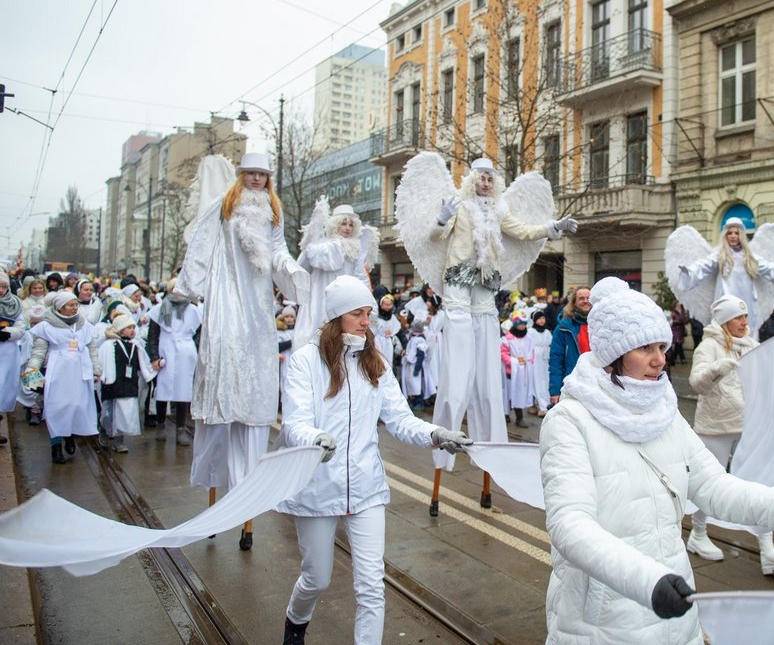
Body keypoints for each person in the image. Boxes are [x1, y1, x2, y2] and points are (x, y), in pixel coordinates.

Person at [540, 278, 774, 644]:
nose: (660, 359)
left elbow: (714, 487)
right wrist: (645, 580)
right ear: (612, 355)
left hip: (673, 606)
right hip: (605, 621)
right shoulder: (569, 421)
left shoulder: (663, 411)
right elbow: (570, 526)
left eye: (662, 346)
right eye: (644, 348)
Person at [278, 275, 471, 645]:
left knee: (371, 585)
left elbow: (399, 420)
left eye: (368, 313)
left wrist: (436, 433)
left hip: (366, 487)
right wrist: (316, 439)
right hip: (318, 486)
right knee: (317, 578)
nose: (367, 321)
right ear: (336, 317)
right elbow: (295, 423)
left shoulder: (375, 362)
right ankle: (295, 621)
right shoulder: (305, 361)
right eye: (357, 314)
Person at [395, 153, 577, 515]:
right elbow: (436, 235)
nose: (486, 182)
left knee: (488, 381)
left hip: (485, 290)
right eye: (481, 177)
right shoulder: (460, 207)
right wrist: (442, 217)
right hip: (459, 287)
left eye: (491, 178)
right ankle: (444, 446)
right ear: (472, 179)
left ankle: (490, 457)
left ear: (496, 183)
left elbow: (523, 231)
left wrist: (553, 227)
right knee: (458, 370)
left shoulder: (499, 212)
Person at [176, 152, 308, 550]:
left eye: (261, 175)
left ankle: (247, 508)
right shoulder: (224, 205)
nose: (255, 179)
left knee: (252, 391)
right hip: (224, 298)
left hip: (256, 307)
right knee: (222, 373)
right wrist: (191, 283)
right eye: (250, 173)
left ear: (268, 179)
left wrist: (292, 272)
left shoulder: (273, 210)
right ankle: (218, 498)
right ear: (241, 176)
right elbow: (200, 241)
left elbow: (278, 250)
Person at [686, 294, 774, 575]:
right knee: (708, 484)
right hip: (716, 426)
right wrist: (717, 369)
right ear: (724, 321)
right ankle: (698, 534)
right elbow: (696, 383)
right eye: (737, 317)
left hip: (748, 424)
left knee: (756, 484)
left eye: (745, 316)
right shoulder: (709, 345)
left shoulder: (751, 345)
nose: (743, 322)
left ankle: (768, 549)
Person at [668, 217, 774, 333]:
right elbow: (702, 267)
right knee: (724, 336)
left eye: (736, 233)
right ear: (725, 235)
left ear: (741, 235)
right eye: (730, 233)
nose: (733, 236)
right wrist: (688, 272)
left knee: (746, 333)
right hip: (725, 302)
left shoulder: (750, 257)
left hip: (746, 303)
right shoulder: (719, 255)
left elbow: (771, 270)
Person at [24, 292, 101, 464]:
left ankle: (70, 435)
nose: (75, 307)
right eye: (70, 305)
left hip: (79, 372)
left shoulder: (84, 325)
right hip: (57, 372)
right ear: (60, 307)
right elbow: (39, 351)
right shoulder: (46, 326)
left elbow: (92, 348)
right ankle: (56, 445)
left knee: (76, 406)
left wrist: (96, 369)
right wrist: (32, 369)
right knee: (56, 408)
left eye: (76, 304)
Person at [292, 199, 378, 352]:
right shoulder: (323, 245)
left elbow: (360, 276)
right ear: (335, 224)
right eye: (343, 224)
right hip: (321, 298)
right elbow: (304, 263)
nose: (347, 228)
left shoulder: (356, 248)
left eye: (351, 224)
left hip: (346, 299)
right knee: (318, 336)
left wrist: (368, 300)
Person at [145, 278, 202, 446]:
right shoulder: (160, 309)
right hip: (166, 350)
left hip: (185, 352)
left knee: (183, 391)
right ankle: (160, 424)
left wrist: (194, 347)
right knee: (163, 389)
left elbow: (200, 333)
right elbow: (152, 336)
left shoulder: (194, 310)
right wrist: (154, 357)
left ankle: (181, 429)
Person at [97, 313, 156, 453]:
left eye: (133, 327)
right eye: (128, 327)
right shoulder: (108, 345)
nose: (132, 330)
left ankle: (119, 440)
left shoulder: (135, 345)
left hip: (129, 384)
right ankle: (104, 432)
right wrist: (102, 376)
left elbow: (144, 363)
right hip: (112, 384)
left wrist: (152, 370)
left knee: (125, 413)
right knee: (109, 412)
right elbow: (101, 362)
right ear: (120, 329)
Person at [548, 286, 591, 406]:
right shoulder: (563, 328)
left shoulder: (602, 325)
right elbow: (556, 361)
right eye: (581, 298)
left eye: (588, 298)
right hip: (573, 384)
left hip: (597, 385)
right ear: (574, 303)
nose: (586, 301)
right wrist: (555, 390)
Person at [0, 273, 28, 445]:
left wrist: (8, 334)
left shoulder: (14, 304)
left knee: (2, 388)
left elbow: (21, 325)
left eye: (3, 287)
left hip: (7, 351)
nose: (1, 290)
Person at [501, 313, 534, 428]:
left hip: (522, 371)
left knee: (519, 394)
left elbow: (531, 352)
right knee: (508, 394)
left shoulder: (528, 338)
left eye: (524, 324)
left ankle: (519, 418)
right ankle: (505, 414)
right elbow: (503, 353)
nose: (522, 326)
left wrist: (529, 362)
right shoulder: (507, 339)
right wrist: (513, 362)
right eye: (520, 324)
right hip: (511, 371)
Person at [529, 310, 552, 417]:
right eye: (539, 318)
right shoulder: (531, 332)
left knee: (545, 380)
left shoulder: (547, 332)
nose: (542, 321)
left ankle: (546, 403)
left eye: (543, 318)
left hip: (545, 358)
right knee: (536, 381)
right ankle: (540, 405)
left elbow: (550, 343)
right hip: (535, 359)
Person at [668, 300, 689, 365]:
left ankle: (673, 359)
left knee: (678, 345)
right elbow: (672, 321)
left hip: (681, 330)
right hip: (675, 330)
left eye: (679, 304)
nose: (679, 305)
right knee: (678, 343)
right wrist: (680, 321)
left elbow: (686, 320)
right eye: (677, 304)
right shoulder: (673, 312)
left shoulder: (683, 311)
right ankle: (682, 359)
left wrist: (682, 319)